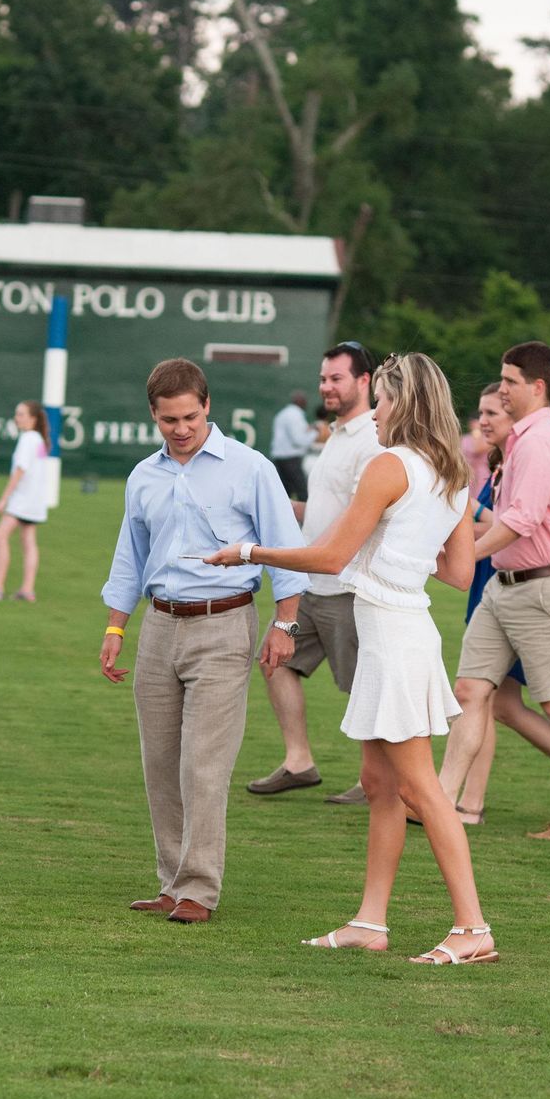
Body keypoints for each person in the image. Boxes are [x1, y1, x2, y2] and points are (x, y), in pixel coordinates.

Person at [207, 353, 498, 965]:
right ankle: (370, 921)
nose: (378, 413)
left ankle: (472, 929)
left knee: (420, 788)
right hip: (403, 628)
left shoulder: (390, 465)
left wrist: (249, 551)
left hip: (393, 636)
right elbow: (458, 571)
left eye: (384, 400)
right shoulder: (449, 474)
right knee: (379, 785)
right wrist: (394, 546)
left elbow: (329, 557)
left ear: (401, 401)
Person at [100, 357, 309, 924]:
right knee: (160, 763)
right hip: (159, 625)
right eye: (169, 420)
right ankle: (171, 881)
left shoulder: (251, 468)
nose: (181, 428)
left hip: (225, 622)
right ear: (154, 415)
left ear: (207, 405)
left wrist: (285, 624)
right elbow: (130, 558)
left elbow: (286, 552)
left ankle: (199, 888)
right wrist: (117, 626)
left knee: (204, 764)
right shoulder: (143, 477)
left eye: (190, 416)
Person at [438, 341, 550, 840]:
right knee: (469, 690)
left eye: (509, 381)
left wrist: (463, 555)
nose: (502, 388)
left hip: (540, 589)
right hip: (504, 588)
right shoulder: (521, 441)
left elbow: (522, 521)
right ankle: (440, 803)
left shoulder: (539, 441)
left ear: (537, 387)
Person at [246, 341, 382, 803]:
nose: (325, 386)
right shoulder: (337, 435)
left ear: (364, 381)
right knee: (273, 659)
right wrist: (284, 510)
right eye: (323, 378)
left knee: (365, 687)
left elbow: (360, 520)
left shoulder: (374, 439)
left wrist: (299, 552)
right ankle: (299, 762)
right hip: (310, 585)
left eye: (336, 378)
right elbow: (328, 510)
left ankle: (375, 780)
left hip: (347, 587)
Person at [0, 401, 49, 603]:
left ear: (32, 418)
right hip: (35, 500)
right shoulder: (39, 440)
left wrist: (5, 497)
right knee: (29, 542)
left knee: (0, 536)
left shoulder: (28, 439)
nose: (17, 418)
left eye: (21, 414)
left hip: (22, 499)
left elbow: (20, 470)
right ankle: (27, 589)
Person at [270, 389, 318, 501]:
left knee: (285, 492)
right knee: (302, 491)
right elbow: (299, 440)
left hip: (280, 458)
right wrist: (316, 432)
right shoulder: (295, 415)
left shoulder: (283, 414)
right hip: (291, 459)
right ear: (300, 401)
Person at [460, 411, 491, 499]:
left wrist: (477, 432)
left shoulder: (487, 438)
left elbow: (476, 449)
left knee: (480, 499)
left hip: (481, 474)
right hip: (467, 474)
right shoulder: (465, 438)